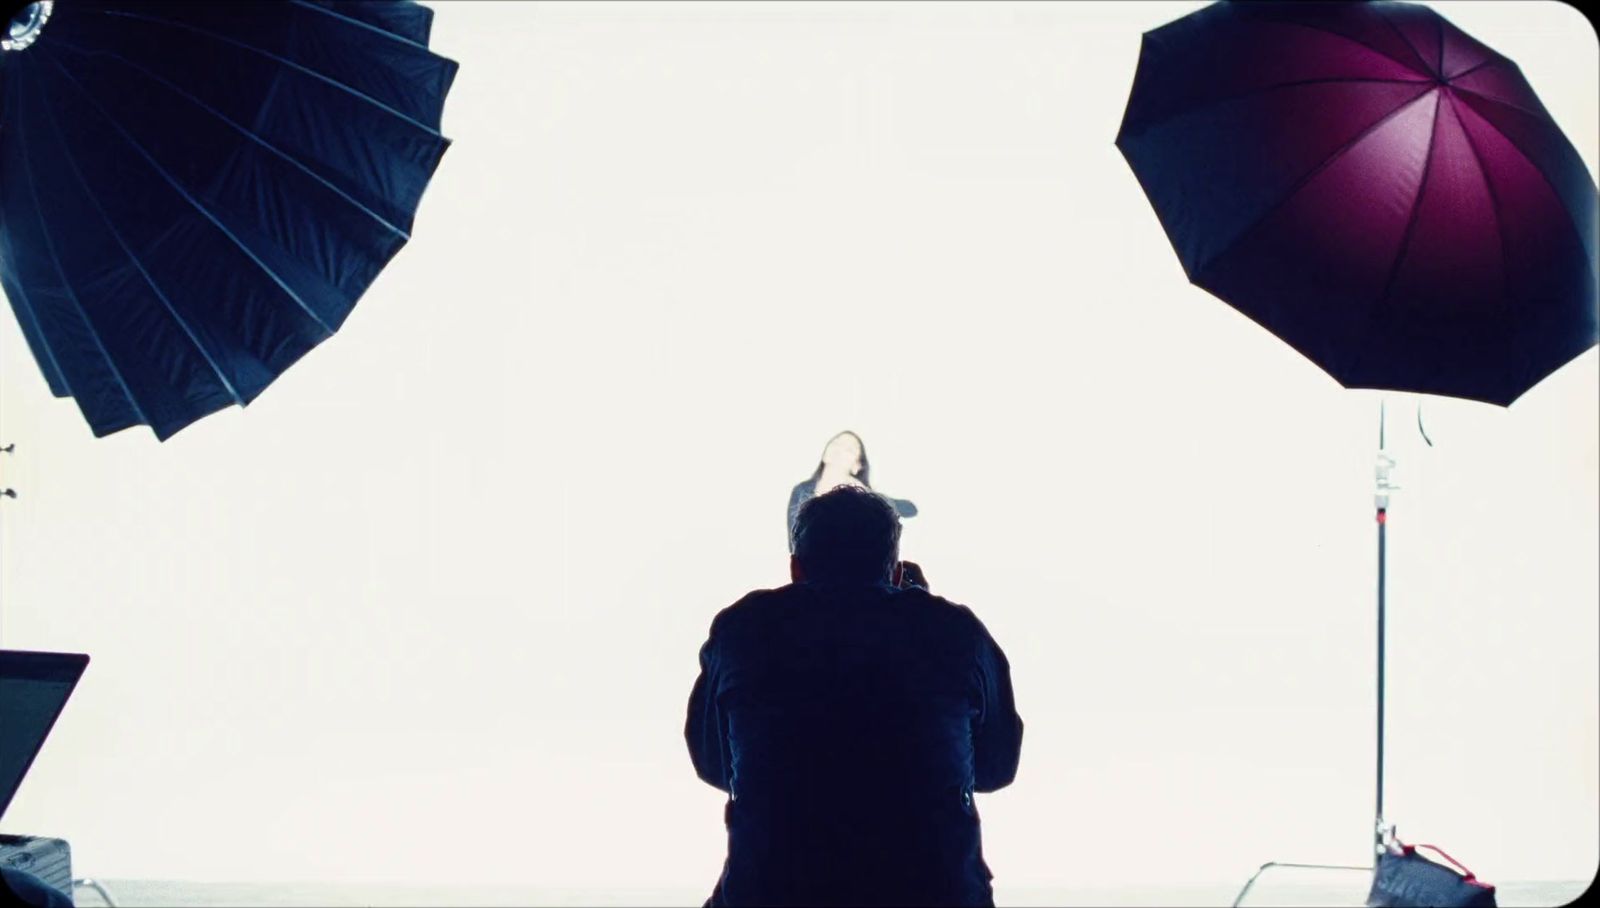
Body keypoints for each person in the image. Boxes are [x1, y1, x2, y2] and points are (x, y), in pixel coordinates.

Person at [688, 485, 1022, 907]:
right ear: (897, 571)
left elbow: (716, 767)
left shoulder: (743, 628)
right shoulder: (953, 630)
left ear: (796, 568)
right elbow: (996, 769)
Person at [786, 431, 917, 553]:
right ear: (825, 454)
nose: (839, 449)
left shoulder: (863, 499)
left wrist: (868, 494)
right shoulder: (803, 490)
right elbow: (794, 543)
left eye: (849, 449)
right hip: (812, 569)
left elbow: (910, 510)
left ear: (857, 466)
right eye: (836, 443)